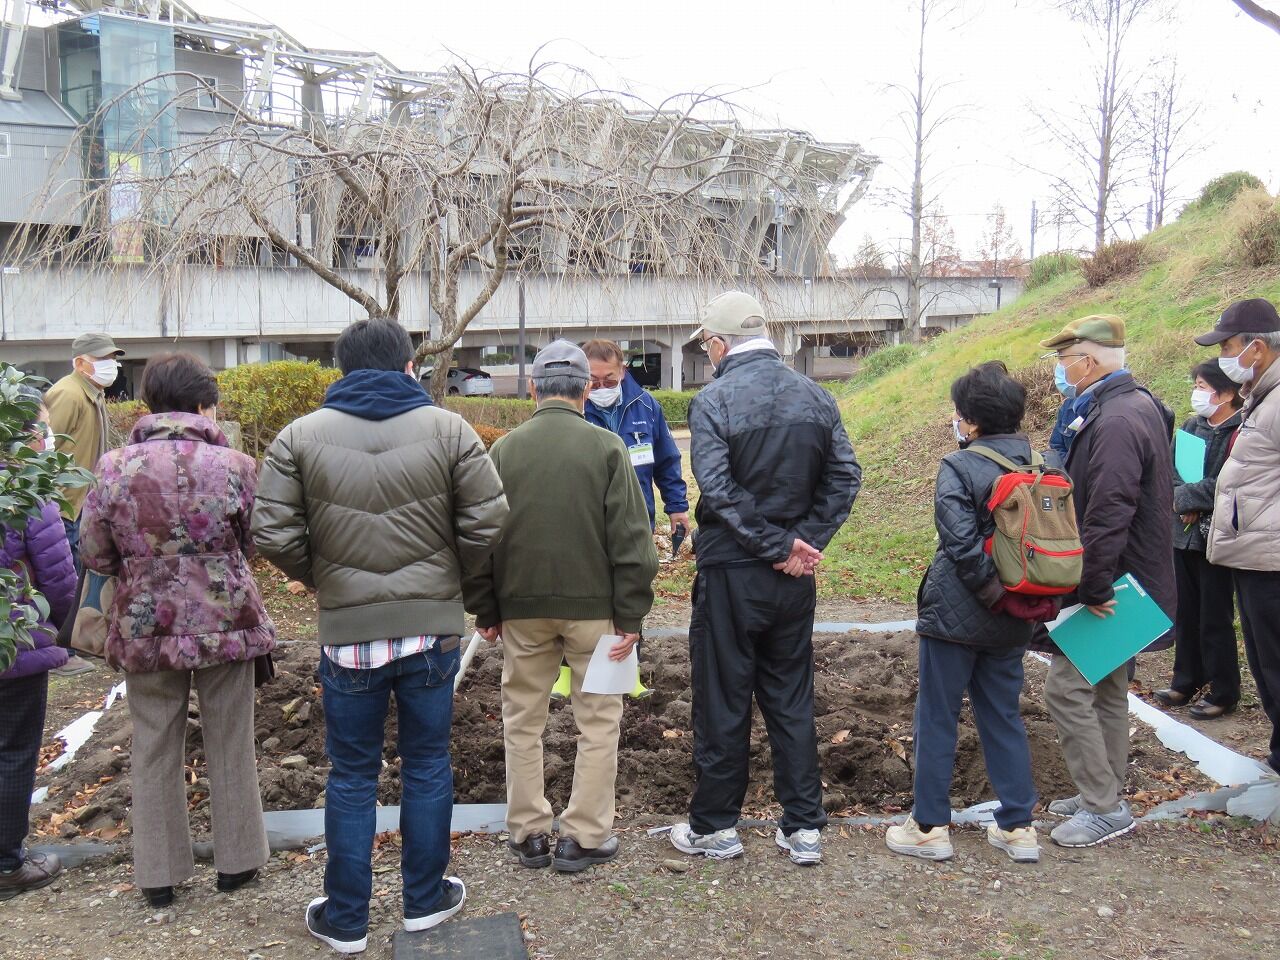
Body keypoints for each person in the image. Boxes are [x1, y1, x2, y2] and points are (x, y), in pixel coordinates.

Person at [254, 319, 507, 954]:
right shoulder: (449, 429)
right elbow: (489, 520)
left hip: (348, 637)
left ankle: (346, 918)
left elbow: (273, 534)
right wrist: (448, 580)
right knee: (426, 765)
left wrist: (329, 581)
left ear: (340, 367)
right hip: (430, 634)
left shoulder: (299, 436)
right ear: (407, 364)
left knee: (350, 774)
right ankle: (424, 901)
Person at [668, 291, 861, 867]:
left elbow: (718, 488)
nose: (709, 354)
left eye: (708, 345)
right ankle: (804, 826)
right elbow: (845, 477)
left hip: (732, 572)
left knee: (723, 698)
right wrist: (804, 544)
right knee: (791, 698)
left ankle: (716, 827)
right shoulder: (817, 396)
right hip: (793, 579)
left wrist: (779, 544)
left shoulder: (714, 399)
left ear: (722, 343)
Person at [79, 353, 276, 908]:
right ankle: (238, 863)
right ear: (202, 404)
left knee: (153, 744)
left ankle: (159, 875)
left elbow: (94, 553)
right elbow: (256, 541)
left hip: (145, 623)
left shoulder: (114, 466)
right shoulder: (235, 464)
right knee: (231, 740)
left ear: (147, 403)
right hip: (227, 620)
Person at [468, 340, 657, 874]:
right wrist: (631, 616)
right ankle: (586, 836)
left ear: (532, 389)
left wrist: (486, 608)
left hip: (521, 611)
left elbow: (479, 538)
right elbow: (632, 541)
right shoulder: (606, 448)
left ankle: (528, 833)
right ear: (587, 388)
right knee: (598, 722)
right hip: (597, 615)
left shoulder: (504, 451)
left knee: (522, 720)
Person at [885, 363, 1051, 864]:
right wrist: (1013, 601)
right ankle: (1019, 827)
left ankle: (930, 826)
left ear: (971, 421)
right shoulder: (1046, 465)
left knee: (937, 716)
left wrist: (989, 591)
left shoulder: (959, 467)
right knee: (1002, 713)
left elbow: (959, 543)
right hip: (1017, 615)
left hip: (957, 616)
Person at [1038, 316, 1175, 848]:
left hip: (1118, 585)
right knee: (1109, 689)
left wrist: (1093, 586)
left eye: (1064, 360)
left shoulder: (1116, 419)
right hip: (1135, 578)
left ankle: (1103, 804)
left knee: (1067, 687)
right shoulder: (1135, 405)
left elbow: (1110, 508)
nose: (1060, 370)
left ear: (1088, 362)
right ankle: (1103, 788)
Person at [1196, 298, 1280, 777]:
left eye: (1228, 347)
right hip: (1254, 554)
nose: (1226, 357)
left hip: (1272, 558)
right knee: (1267, 663)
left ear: (1256, 348)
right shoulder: (1262, 397)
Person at [0, 390, 76, 901]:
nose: (46, 440)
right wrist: (53, 630)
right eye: (41, 431)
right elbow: (60, 580)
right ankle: (7, 864)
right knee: (12, 749)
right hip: (13, 646)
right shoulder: (27, 494)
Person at [1154, 362, 1244, 719]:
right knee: (1186, 610)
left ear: (1226, 393)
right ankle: (1185, 679)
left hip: (1217, 536)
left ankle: (1224, 690)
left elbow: (1227, 480)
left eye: (1203, 385)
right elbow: (1171, 472)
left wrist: (1192, 501)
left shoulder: (1240, 431)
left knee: (1215, 614)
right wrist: (1182, 500)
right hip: (1183, 534)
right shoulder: (1192, 427)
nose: (1197, 391)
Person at [45, 332, 124, 677]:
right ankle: (61, 648)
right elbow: (44, 449)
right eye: (102, 359)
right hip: (63, 503)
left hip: (79, 501)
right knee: (60, 578)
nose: (111, 365)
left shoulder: (91, 393)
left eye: (112, 358)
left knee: (78, 574)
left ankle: (78, 642)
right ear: (80, 362)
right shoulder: (67, 393)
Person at [582, 338, 689, 534]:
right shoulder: (575, 410)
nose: (602, 387)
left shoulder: (646, 405)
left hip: (638, 520)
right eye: (594, 382)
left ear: (622, 371)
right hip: (589, 525)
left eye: (609, 380)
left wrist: (677, 506)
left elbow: (666, 460)